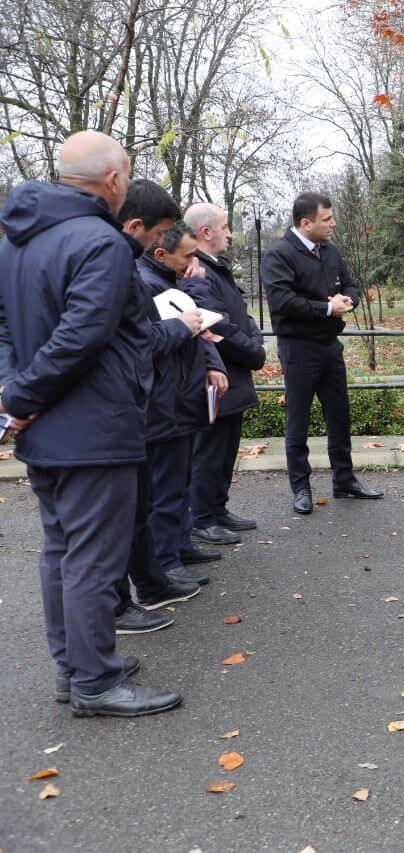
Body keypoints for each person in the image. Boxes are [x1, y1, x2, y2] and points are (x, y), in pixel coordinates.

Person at [0, 131, 181, 717]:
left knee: (61, 549)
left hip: (45, 425)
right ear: (113, 181)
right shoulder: (101, 244)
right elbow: (84, 335)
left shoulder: (14, 241)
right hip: (94, 426)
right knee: (92, 558)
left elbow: (7, 330)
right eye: (126, 172)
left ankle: (73, 667)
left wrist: (14, 395)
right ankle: (96, 682)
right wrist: (22, 395)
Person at [111, 180, 207, 637]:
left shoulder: (128, 266)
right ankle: (112, 619)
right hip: (127, 410)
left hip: (147, 404)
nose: (157, 247)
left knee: (147, 499)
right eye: (158, 237)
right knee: (123, 514)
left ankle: (150, 582)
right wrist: (182, 327)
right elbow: (137, 341)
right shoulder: (122, 268)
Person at [262, 192, 382, 514]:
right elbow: (282, 302)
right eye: (326, 219)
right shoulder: (279, 255)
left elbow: (352, 285)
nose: (333, 223)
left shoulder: (330, 251)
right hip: (298, 349)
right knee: (297, 422)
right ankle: (301, 488)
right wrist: (328, 308)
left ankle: (344, 481)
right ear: (305, 223)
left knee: (339, 417)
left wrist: (348, 301)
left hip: (330, 347)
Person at [137, 220, 230, 589]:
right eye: (189, 255)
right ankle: (166, 560)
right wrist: (192, 290)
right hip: (164, 402)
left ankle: (179, 544)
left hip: (182, 397)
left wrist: (211, 365)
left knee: (180, 479)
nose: (196, 262)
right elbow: (151, 343)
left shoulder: (172, 280)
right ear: (161, 254)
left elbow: (200, 332)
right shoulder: (148, 285)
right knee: (165, 485)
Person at [185, 203, 266, 545]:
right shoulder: (196, 273)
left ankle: (217, 509)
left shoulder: (216, 270)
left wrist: (253, 340)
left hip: (232, 377)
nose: (230, 233)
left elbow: (242, 317)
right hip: (215, 377)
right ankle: (202, 517)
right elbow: (217, 326)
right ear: (206, 232)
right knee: (210, 450)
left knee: (226, 448)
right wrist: (253, 350)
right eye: (225, 226)